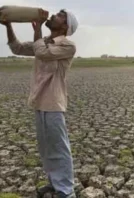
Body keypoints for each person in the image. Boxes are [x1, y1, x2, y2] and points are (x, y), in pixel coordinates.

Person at [0, 7, 78, 198]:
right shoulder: (42, 42)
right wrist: (8, 25)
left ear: (66, 26)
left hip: (53, 102)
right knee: (46, 148)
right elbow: (17, 48)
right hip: (40, 101)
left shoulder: (67, 45)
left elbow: (42, 53)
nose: (53, 16)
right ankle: (54, 183)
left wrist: (37, 29)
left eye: (60, 15)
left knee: (59, 147)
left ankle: (67, 191)